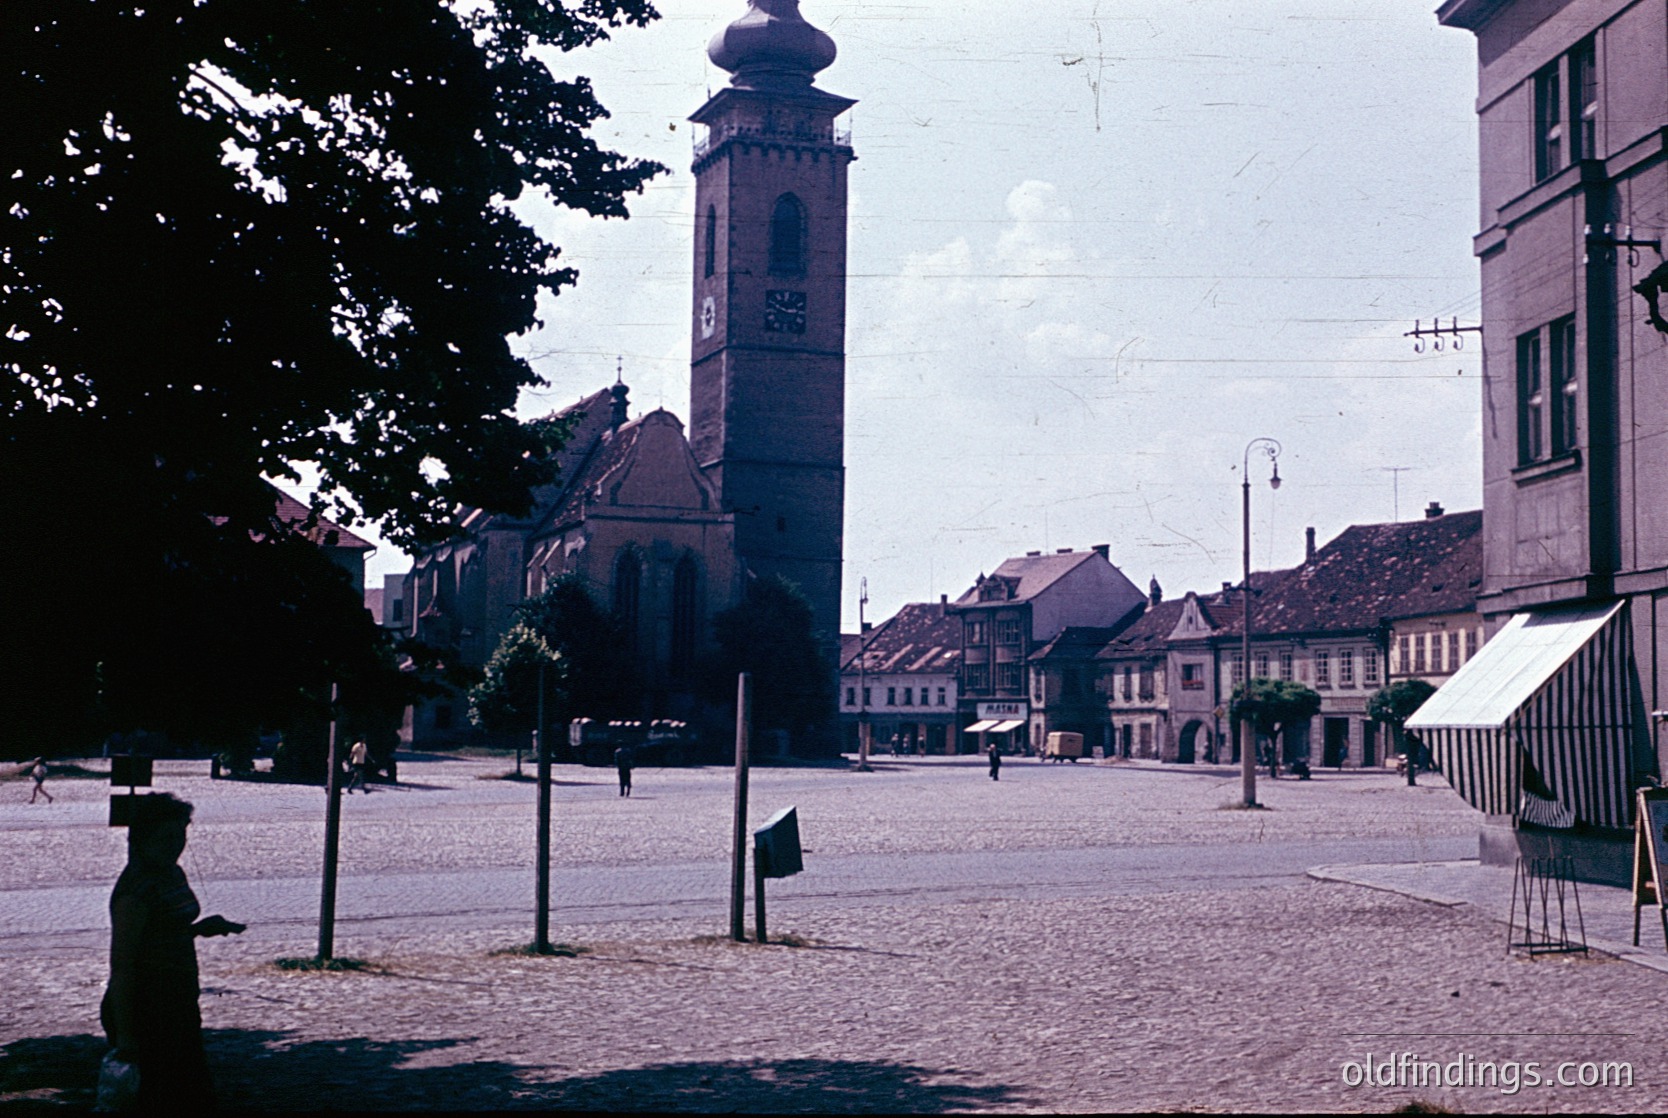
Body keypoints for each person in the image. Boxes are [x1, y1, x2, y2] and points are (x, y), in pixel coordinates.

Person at [101, 793, 245, 1109]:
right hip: (149, 1005)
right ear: (142, 837)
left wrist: (199, 928)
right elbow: (123, 965)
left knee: (189, 1091)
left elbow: (163, 930)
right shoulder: (136, 889)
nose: (176, 845)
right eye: (166, 837)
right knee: (166, 1096)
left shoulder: (170, 873)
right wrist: (126, 1036)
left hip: (178, 998)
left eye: (180, 835)